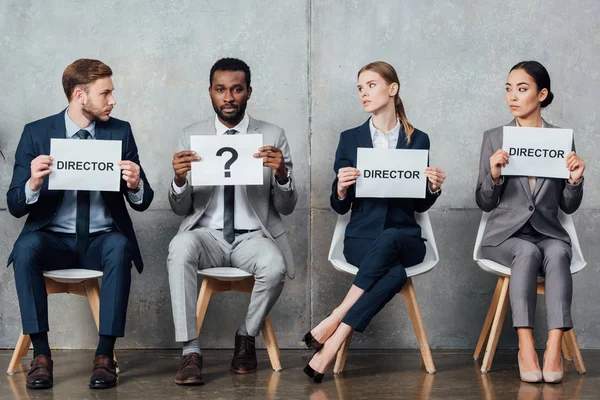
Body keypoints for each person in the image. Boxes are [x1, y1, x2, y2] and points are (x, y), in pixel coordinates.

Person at [6, 58, 154, 389]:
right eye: (106, 94)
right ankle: (41, 356)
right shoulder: (37, 133)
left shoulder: (120, 131)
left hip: (101, 240)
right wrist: (31, 184)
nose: (112, 101)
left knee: (120, 245)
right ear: (79, 95)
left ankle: (105, 356)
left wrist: (135, 184)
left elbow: (144, 201)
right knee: (26, 246)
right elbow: (14, 204)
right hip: (53, 241)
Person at [303, 61, 445, 383]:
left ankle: (336, 317)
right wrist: (340, 188)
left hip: (407, 238)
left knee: (394, 237)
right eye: (360, 88)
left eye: (371, 85)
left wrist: (433, 187)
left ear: (392, 89)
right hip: (362, 239)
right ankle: (331, 346)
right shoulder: (349, 139)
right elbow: (340, 207)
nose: (363, 93)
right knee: (393, 275)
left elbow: (419, 203)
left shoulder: (418, 138)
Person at [167, 58, 297, 385]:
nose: (228, 97)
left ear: (248, 92)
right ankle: (190, 351)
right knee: (179, 247)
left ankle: (246, 336)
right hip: (205, 234)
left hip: (253, 236)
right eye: (221, 89)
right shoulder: (191, 135)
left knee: (275, 265)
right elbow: (179, 209)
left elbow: (287, 205)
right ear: (210, 92)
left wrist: (282, 174)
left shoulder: (272, 135)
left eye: (236, 89)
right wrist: (179, 180)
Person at [476, 61, 585, 383]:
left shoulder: (561, 139)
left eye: (521, 89)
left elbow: (568, 206)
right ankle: (526, 344)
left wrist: (575, 181)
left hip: (547, 231)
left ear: (542, 94)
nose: (513, 96)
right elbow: (484, 202)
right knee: (526, 251)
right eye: (509, 89)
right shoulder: (495, 138)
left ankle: (553, 346)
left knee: (558, 253)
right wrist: (494, 176)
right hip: (504, 235)